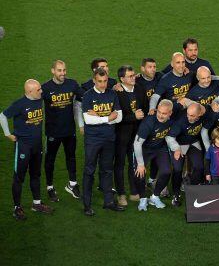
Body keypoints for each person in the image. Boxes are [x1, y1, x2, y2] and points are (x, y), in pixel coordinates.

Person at [1, 79, 53, 220]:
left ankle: (36, 204)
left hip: (37, 145)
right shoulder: (19, 104)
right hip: (23, 146)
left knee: (36, 175)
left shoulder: (39, 98)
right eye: (38, 90)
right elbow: (3, 115)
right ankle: (17, 207)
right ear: (30, 92)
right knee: (19, 177)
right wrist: (7, 134)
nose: (41, 91)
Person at [80, 68, 124, 215]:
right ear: (94, 80)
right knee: (89, 171)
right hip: (93, 140)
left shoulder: (112, 94)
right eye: (99, 81)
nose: (103, 84)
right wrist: (106, 118)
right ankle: (87, 205)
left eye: (105, 81)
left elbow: (119, 117)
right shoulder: (87, 96)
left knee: (107, 170)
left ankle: (109, 201)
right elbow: (88, 120)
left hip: (109, 139)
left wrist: (98, 117)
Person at [41, 60, 82, 201]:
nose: (63, 73)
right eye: (59, 70)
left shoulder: (72, 84)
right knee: (50, 160)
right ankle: (50, 186)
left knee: (71, 157)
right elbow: (32, 101)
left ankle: (72, 183)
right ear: (53, 71)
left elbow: (86, 95)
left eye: (64, 70)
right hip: (53, 132)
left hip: (70, 131)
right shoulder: (45, 88)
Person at [133, 99, 174, 211]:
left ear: (170, 113)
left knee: (166, 171)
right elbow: (137, 143)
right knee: (139, 173)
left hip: (160, 148)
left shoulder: (173, 120)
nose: (160, 115)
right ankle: (142, 198)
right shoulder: (148, 122)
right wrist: (141, 164)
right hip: (144, 149)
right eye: (159, 112)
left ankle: (154, 196)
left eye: (164, 113)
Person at [114, 65, 145, 206]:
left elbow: (144, 108)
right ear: (122, 79)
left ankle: (134, 191)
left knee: (134, 163)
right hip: (120, 135)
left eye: (134, 75)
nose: (134, 78)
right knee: (120, 164)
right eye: (130, 76)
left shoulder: (139, 89)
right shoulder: (116, 93)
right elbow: (115, 118)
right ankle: (121, 194)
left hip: (136, 135)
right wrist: (134, 116)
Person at [166, 102, 205, 198]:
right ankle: (176, 193)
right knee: (178, 168)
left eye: (192, 115)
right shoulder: (180, 121)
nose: (189, 117)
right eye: (188, 114)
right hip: (179, 144)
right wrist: (176, 148)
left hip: (193, 143)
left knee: (199, 166)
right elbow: (169, 137)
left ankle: (192, 186)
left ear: (199, 114)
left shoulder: (204, 113)